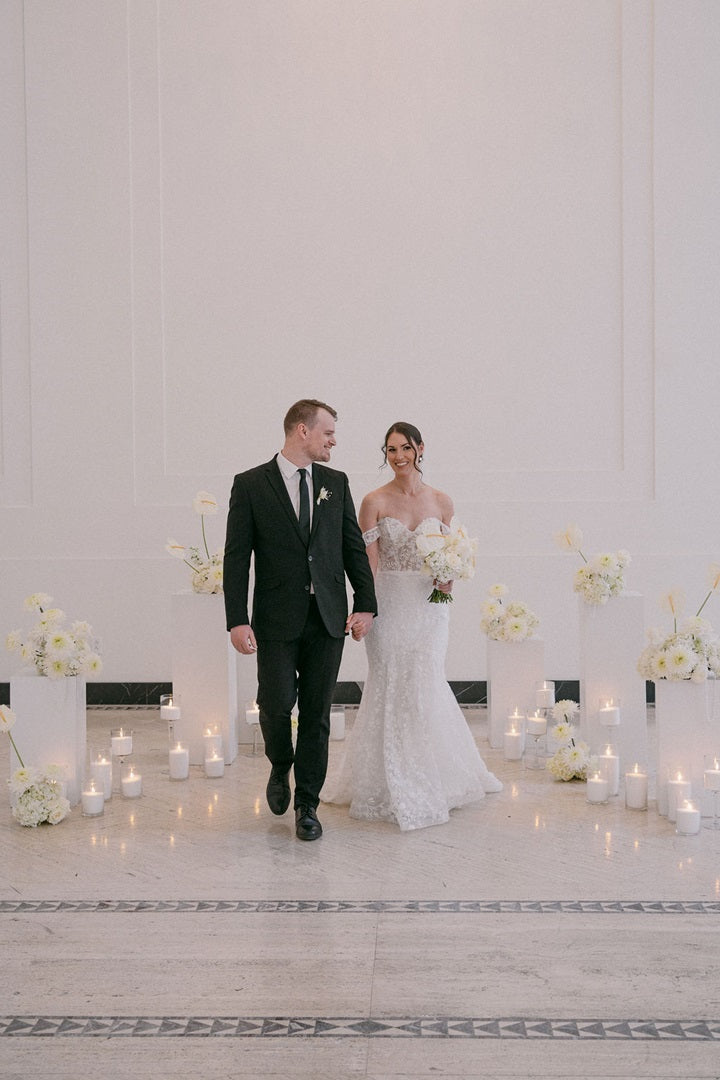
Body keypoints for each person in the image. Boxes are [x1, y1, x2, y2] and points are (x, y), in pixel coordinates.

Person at [322, 421, 502, 830]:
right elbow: (366, 561)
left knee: (426, 680)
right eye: (391, 451)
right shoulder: (373, 501)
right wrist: (365, 607)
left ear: (421, 448)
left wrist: (450, 575)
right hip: (388, 603)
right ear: (384, 454)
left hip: (430, 607)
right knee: (389, 680)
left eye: (405, 448)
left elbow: (452, 553)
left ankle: (437, 775)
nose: (399, 457)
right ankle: (385, 782)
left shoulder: (442, 501)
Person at [223, 399, 377, 841]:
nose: (334, 441)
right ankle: (280, 765)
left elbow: (352, 548)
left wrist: (364, 603)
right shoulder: (251, 484)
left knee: (317, 715)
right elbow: (237, 559)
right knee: (274, 705)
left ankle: (307, 803)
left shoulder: (336, 482)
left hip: (327, 619)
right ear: (301, 431)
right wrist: (237, 618)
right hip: (274, 619)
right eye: (328, 432)